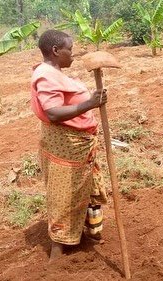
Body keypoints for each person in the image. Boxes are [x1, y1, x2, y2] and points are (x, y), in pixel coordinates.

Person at [30, 30, 108, 261]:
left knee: (85, 188)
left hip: (80, 145)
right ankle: (58, 250)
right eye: (70, 50)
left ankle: (90, 234)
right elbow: (53, 113)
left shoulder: (55, 72)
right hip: (67, 146)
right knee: (64, 194)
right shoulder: (46, 75)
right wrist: (89, 104)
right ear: (55, 50)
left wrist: (92, 100)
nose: (73, 55)